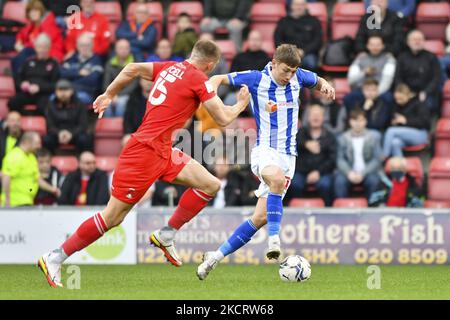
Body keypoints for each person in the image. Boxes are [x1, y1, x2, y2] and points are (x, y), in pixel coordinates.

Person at [37, 39, 251, 287]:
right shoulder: (198, 79)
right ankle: (54, 257)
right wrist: (240, 104)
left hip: (163, 150)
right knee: (113, 217)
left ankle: (166, 234)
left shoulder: (170, 67)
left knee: (210, 185)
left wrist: (109, 94)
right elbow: (223, 119)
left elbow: (131, 69)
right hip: (143, 153)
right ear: (211, 64)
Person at [196, 44, 335, 280]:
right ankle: (274, 241)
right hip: (265, 150)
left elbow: (317, 80)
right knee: (276, 180)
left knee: (259, 218)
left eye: (293, 71)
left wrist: (327, 86)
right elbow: (219, 77)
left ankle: (213, 258)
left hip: (289, 156)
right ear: (273, 63)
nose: (289, 75)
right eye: (285, 70)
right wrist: (211, 86)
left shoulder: (299, 76)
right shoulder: (256, 79)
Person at [290, 105, 336, 206]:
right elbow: (292, 146)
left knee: (325, 185)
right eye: (313, 115)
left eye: (319, 115)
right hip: (301, 172)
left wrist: (318, 172)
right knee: (294, 184)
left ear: (323, 118)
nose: (316, 118)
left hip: (322, 173)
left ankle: (328, 211)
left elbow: (332, 159)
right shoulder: (300, 133)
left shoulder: (330, 136)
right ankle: (298, 212)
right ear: (308, 117)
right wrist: (306, 144)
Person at [334, 108, 382, 199]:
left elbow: (376, 159)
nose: (357, 123)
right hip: (349, 171)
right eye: (354, 120)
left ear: (365, 121)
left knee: (374, 181)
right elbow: (340, 159)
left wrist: (363, 173)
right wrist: (349, 173)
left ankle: (372, 207)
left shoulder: (373, 137)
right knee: (339, 181)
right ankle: (341, 209)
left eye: (360, 120)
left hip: (368, 171)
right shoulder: (343, 138)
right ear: (350, 122)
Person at [8, 34, 59, 115]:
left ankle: (43, 126)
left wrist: (39, 88)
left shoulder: (54, 64)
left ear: (49, 48)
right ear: (35, 47)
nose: (42, 50)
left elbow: (55, 84)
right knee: (12, 102)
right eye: (39, 47)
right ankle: (18, 124)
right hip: (27, 92)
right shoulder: (28, 62)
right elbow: (18, 78)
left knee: (45, 107)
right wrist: (22, 84)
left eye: (44, 47)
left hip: (44, 94)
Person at [394, 30, 442, 111]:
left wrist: (426, 92)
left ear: (424, 41)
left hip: (426, 92)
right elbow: (398, 77)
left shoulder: (432, 57)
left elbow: (436, 78)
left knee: (427, 104)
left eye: (419, 39)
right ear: (408, 42)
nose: (417, 42)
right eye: (414, 39)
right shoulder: (402, 57)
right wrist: (404, 92)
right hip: (406, 92)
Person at [12, 0, 63, 75]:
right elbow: (22, 33)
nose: (33, 14)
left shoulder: (48, 24)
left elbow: (41, 43)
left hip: (50, 55)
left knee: (26, 51)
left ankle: (19, 76)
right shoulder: (32, 25)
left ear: (41, 12)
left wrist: (23, 47)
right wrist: (18, 41)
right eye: (31, 12)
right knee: (16, 58)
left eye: (36, 11)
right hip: (36, 54)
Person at [43, 79, 93, 153]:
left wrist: (71, 134)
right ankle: (49, 160)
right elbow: (50, 126)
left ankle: (82, 159)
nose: (63, 93)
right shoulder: (50, 105)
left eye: (66, 90)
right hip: (57, 134)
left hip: (75, 134)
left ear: (72, 91)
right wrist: (59, 133)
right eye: (60, 90)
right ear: (55, 92)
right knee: (47, 140)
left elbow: (83, 125)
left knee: (85, 139)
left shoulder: (79, 104)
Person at [383, 83, 430, 158]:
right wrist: (393, 123)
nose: (398, 101)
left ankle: (384, 156)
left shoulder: (418, 104)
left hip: (420, 134)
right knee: (395, 142)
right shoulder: (395, 106)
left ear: (408, 95)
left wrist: (406, 121)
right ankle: (400, 167)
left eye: (401, 99)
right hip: (403, 136)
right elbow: (389, 123)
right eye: (396, 99)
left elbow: (426, 123)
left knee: (391, 131)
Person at [274, 0, 322, 70]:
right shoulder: (283, 21)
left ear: (306, 6)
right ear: (292, 6)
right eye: (296, 4)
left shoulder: (314, 21)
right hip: (287, 54)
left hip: (307, 54)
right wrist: (290, 51)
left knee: (311, 62)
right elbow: (277, 39)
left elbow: (318, 41)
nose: (299, 7)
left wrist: (304, 51)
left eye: (302, 5)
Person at [60, 33, 104, 105]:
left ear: (92, 46)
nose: (84, 48)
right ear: (77, 46)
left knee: (75, 99)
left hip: (86, 93)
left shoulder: (96, 60)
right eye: (82, 45)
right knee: (53, 98)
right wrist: (79, 73)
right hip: (68, 91)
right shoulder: (72, 59)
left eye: (87, 45)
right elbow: (62, 74)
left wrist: (71, 80)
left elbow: (93, 80)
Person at [1, 132, 41, 207]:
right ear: (27, 142)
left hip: (27, 201)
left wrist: (52, 189)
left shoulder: (32, 157)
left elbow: (38, 179)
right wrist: (7, 200)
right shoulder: (15, 156)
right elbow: (6, 177)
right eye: (37, 143)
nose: (39, 146)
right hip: (14, 203)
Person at [102, 39, 139, 117]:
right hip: (112, 93)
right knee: (106, 103)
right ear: (116, 50)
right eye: (121, 48)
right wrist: (112, 94)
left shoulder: (135, 64)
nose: (123, 50)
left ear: (129, 49)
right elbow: (106, 83)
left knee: (121, 103)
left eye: (126, 48)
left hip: (129, 94)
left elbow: (134, 85)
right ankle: (109, 127)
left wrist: (118, 95)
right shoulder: (110, 63)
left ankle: (120, 126)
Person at [122, 78, 151, 146]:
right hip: (136, 133)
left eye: (151, 80)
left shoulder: (161, 99)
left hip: (153, 134)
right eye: (145, 80)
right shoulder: (133, 97)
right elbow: (127, 119)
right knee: (127, 140)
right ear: (140, 81)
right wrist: (128, 133)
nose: (148, 83)